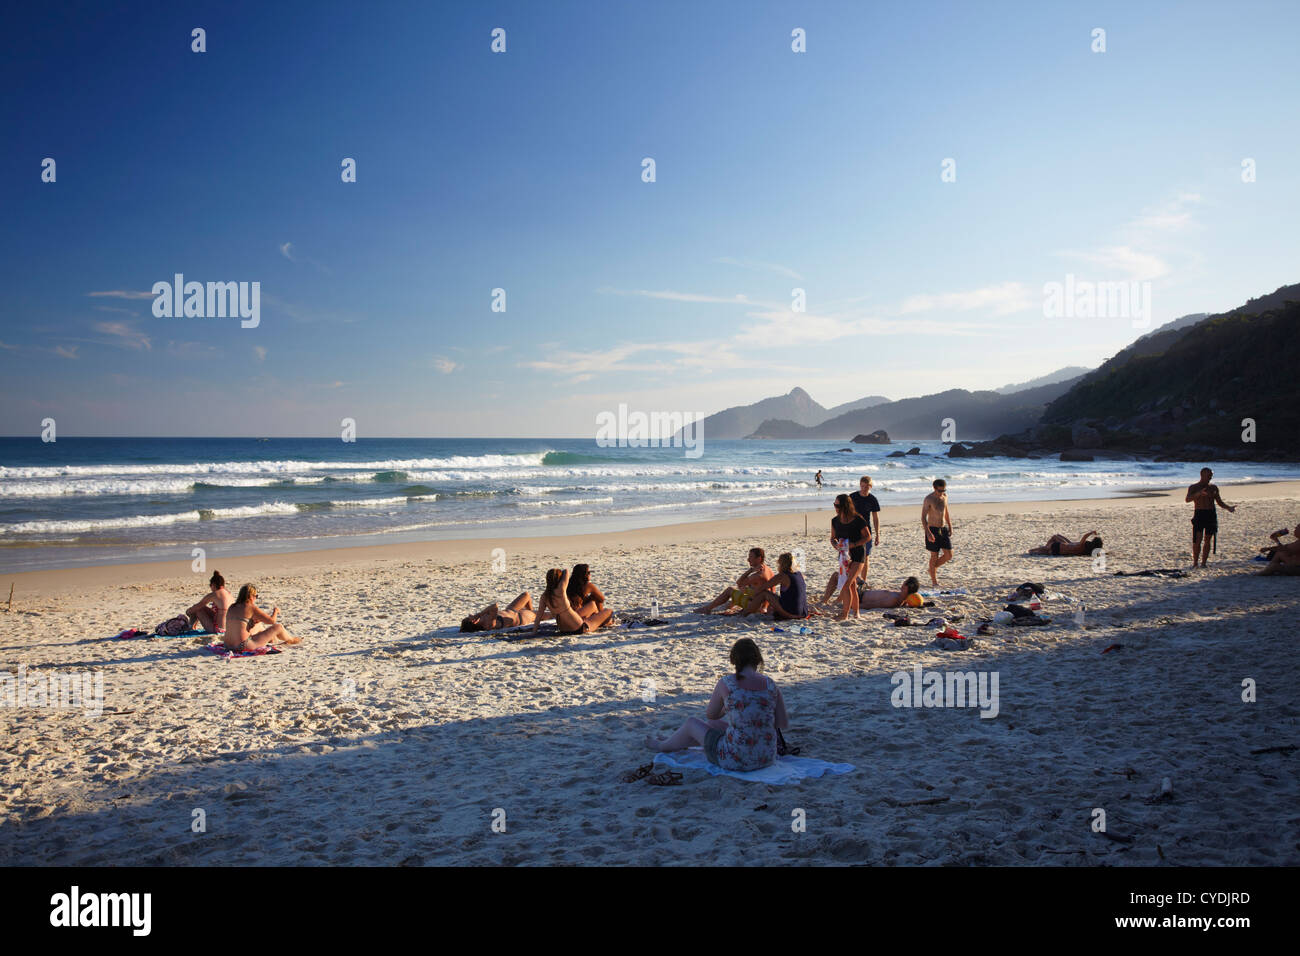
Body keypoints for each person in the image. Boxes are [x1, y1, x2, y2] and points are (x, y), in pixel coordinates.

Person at [643, 638, 789, 773]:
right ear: (758, 660)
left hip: (735, 760)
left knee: (692, 723)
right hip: (767, 757)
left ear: (734, 661)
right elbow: (782, 723)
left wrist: (726, 708)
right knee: (715, 726)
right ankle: (673, 741)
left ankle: (660, 746)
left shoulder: (727, 682)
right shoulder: (770, 684)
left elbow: (711, 714)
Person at [695, 547, 774, 614]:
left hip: (755, 606)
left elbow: (739, 583)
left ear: (759, 558)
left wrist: (750, 571)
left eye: (751, 557)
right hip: (764, 604)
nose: (748, 560)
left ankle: (707, 608)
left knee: (730, 590)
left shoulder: (758, 575)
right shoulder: (768, 569)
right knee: (743, 590)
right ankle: (729, 606)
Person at [223, 584, 300, 651]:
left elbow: (238, 626)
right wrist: (275, 611)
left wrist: (252, 623)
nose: (256, 598)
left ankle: (272, 639)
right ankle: (292, 640)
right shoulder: (251, 607)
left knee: (258, 625)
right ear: (250, 596)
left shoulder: (232, 607)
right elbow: (272, 621)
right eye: (256, 596)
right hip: (242, 646)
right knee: (278, 627)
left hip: (227, 646)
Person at [1185, 468, 1236, 568]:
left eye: (1211, 475)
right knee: (1197, 540)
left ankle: (1204, 563)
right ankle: (1195, 563)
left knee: (1208, 539)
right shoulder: (1194, 487)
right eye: (1209, 475)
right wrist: (1198, 494)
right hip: (1199, 513)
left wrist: (1228, 508)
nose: (1210, 477)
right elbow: (1187, 499)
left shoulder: (1214, 488)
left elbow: (1219, 502)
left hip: (1211, 514)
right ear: (1202, 475)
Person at [537, 568, 613, 634]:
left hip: (563, 630)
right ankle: (607, 623)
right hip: (580, 628)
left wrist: (534, 631)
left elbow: (538, 616)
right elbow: (566, 571)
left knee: (593, 604)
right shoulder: (560, 591)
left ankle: (599, 620)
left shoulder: (544, 596)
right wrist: (559, 574)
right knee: (609, 611)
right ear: (560, 580)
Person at [830, 494, 869, 620]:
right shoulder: (835, 521)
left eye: (837, 505)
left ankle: (845, 614)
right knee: (851, 585)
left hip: (858, 555)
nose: (835, 507)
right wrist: (836, 545)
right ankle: (856, 612)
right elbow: (832, 538)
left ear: (845, 506)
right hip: (844, 556)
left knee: (847, 584)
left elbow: (868, 537)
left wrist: (853, 544)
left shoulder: (858, 519)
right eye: (834, 504)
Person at [739, 552, 807, 620]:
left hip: (791, 612)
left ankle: (745, 613)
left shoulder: (782, 576)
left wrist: (749, 593)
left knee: (764, 593)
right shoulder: (799, 574)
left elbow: (763, 587)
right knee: (773, 596)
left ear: (782, 564)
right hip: (802, 612)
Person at [849, 475, 881, 582]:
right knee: (852, 557)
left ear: (870, 486)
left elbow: (875, 518)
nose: (863, 489)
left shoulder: (872, 499)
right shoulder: (852, 497)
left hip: (866, 532)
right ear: (860, 485)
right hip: (853, 530)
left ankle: (863, 580)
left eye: (866, 487)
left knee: (865, 557)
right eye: (862, 486)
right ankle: (852, 579)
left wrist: (877, 535)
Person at [922, 479, 953, 586]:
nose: (941, 493)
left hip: (943, 529)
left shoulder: (945, 496)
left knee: (949, 555)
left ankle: (931, 570)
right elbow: (923, 517)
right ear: (934, 488)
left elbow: (946, 512)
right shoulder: (928, 499)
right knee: (934, 556)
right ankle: (934, 582)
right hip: (933, 530)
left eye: (943, 490)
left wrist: (950, 525)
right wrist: (928, 532)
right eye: (939, 491)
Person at [461, 592, 538, 632]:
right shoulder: (488, 625)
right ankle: (535, 614)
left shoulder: (483, 619)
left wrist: (479, 615)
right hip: (520, 617)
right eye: (470, 617)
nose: (471, 615)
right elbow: (495, 606)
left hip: (510, 609)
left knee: (526, 595)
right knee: (547, 614)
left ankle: (533, 612)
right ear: (473, 622)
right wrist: (479, 614)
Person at [1029, 530, 1104, 557]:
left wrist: (1091, 532)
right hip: (1060, 552)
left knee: (1053, 538)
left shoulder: (1082, 545)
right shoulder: (1087, 551)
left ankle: (1033, 550)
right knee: (1047, 550)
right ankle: (1036, 551)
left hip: (1060, 546)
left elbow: (1084, 537)